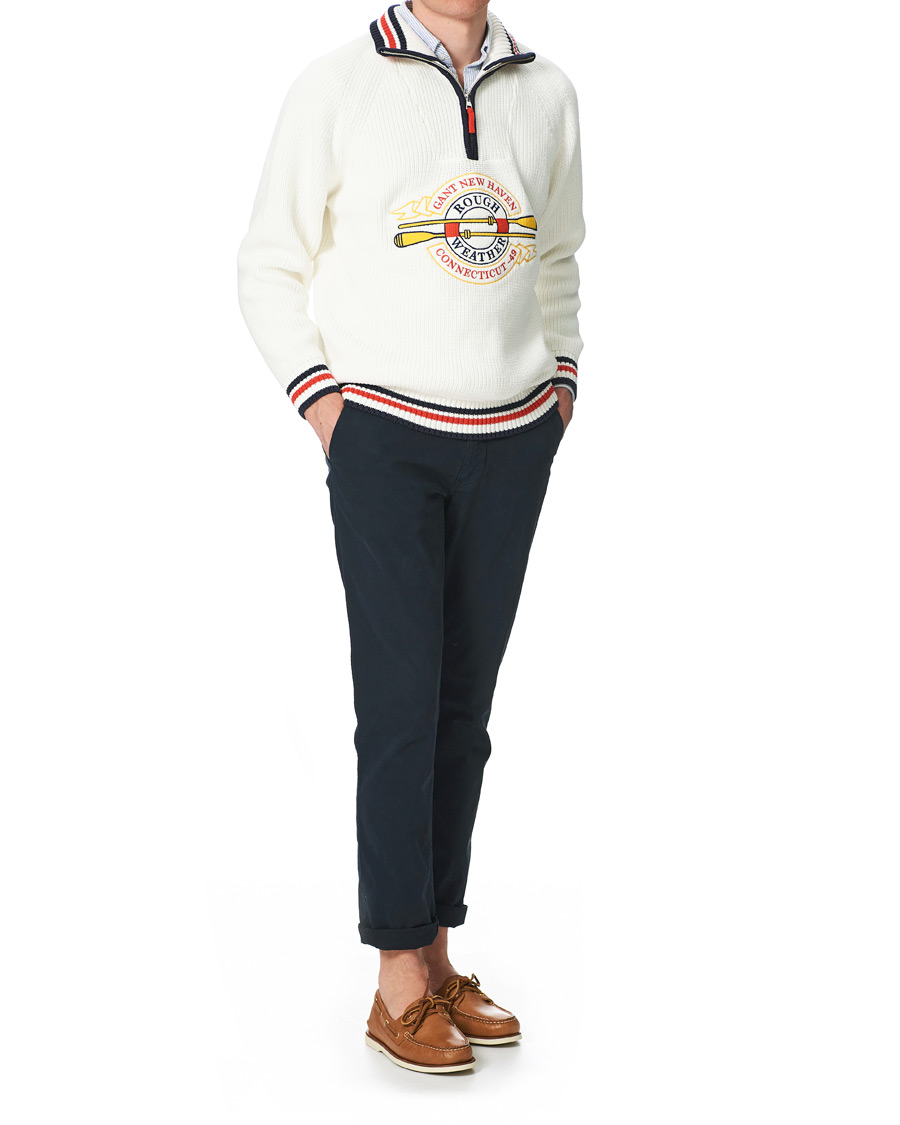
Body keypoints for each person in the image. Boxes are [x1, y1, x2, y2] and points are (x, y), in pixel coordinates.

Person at [237, 0, 585, 1074]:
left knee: (461, 713)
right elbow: (267, 263)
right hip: (385, 437)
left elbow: (558, 257)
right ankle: (395, 972)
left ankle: (436, 952)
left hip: (512, 439)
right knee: (400, 708)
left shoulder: (548, 91)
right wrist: (326, 407)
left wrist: (562, 384)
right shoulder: (339, 84)